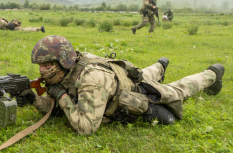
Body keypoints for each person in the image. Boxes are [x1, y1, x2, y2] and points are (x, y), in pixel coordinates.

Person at [16, 35, 224, 135]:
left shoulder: (90, 80)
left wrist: (61, 96)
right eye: (39, 66)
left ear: (61, 62)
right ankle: (160, 65)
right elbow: (55, 106)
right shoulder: (68, 69)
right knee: (145, 74)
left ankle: (212, 73)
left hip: (131, 89)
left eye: (46, 65)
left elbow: (86, 127)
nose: (41, 71)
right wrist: (35, 100)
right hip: (121, 78)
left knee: (177, 91)